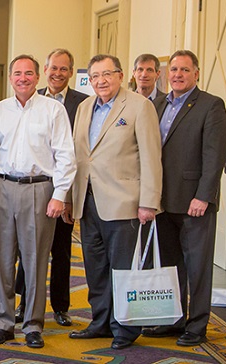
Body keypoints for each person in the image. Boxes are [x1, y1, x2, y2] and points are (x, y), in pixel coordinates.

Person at [65, 54, 162, 350]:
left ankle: (125, 327)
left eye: (107, 74)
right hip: (88, 200)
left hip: (125, 202)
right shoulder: (84, 107)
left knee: (122, 268)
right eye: (95, 76)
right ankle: (101, 321)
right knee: (95, 267)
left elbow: (151, 157)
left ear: (121, 75)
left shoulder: (139, 106)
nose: (101, 81)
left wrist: (149, 202)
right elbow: (79, 157)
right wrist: (70, 200)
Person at [0, 55, 76, 349]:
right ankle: (2, 322)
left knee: (35, 259)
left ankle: (33, 325)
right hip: (2, 187)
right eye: (17, 73)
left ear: (38, 77)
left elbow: (65, 155)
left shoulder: (53, 110)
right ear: (10, 78)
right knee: (1, 258)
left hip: (40, 190)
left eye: (28, 73)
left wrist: (59, 195)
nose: (22, 78)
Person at [141, 50, 226, 346]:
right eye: (174, 69)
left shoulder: (210, 105)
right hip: (163, 201)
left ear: (197, 74)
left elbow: (214, 156)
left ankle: (197, 324)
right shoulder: (156, 104)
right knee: (170, 265)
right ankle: (174, 319)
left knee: (197, 267)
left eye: (185, 70)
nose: (177, 74)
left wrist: (203, 196)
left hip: (194, 202)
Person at [14, 49, 87, 327]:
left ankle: (60, 306)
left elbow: (76, 153)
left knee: (61, 249)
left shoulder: (83, 103)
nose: (58, 73)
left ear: (71, 72)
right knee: (27, 249)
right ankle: (24, 303)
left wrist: (67, 196)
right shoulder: (32, 97)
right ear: (45, 70)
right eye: (53, 68)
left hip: (62, 192)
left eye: (64, 69)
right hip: (36, 188)